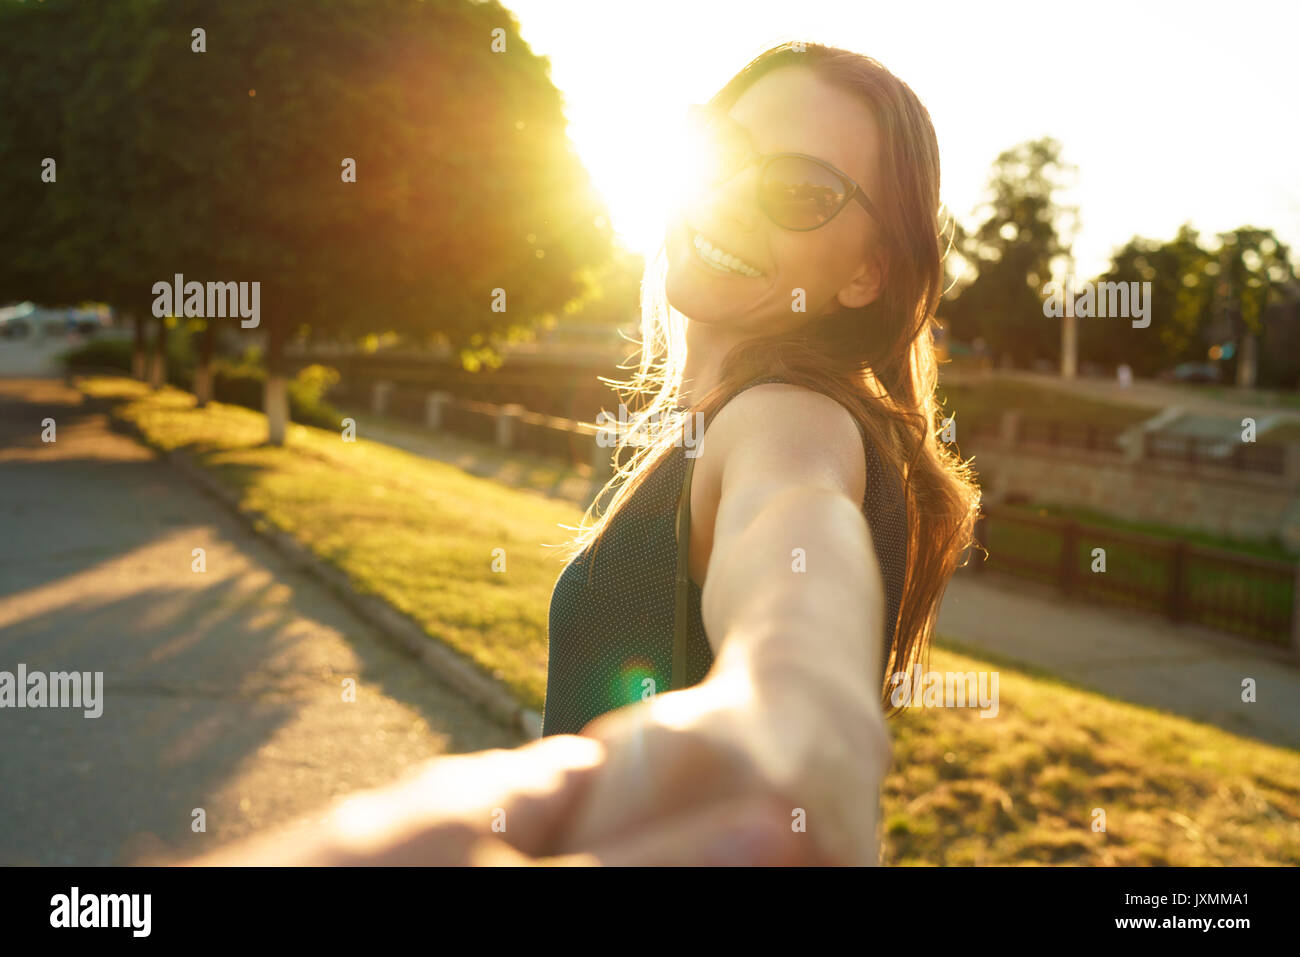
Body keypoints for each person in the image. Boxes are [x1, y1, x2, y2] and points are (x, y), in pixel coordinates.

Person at [195, 41, 978, 867]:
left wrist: (795, 705)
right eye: (724, 151)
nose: (732, 201)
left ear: (868, 272)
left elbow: (793, 528)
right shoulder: (730, 418)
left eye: (798, 191)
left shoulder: (790, 416)